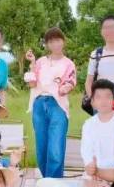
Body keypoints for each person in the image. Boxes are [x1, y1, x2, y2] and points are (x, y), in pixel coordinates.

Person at [25, 27, 77, 178]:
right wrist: (32, 63)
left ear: (63, 41)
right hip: (39, 104)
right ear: (47, 44)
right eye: (51, 41)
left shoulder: (68, 64)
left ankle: (54, 183)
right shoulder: (41, 62)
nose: (55, 44)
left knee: (55, 148)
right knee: (41, 147)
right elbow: (32, 84)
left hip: (57, 105)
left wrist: (66, 87)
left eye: (58, 40)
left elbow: (70, 82)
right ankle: (46, 181)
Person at [80, 79, 114, 186]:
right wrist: (90, 165)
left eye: (107, 97)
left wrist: (102, 171)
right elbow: (86, 150)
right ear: (93, 101)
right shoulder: (88, 124)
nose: (103, 101)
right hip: (95, 173)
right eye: (99, 97)